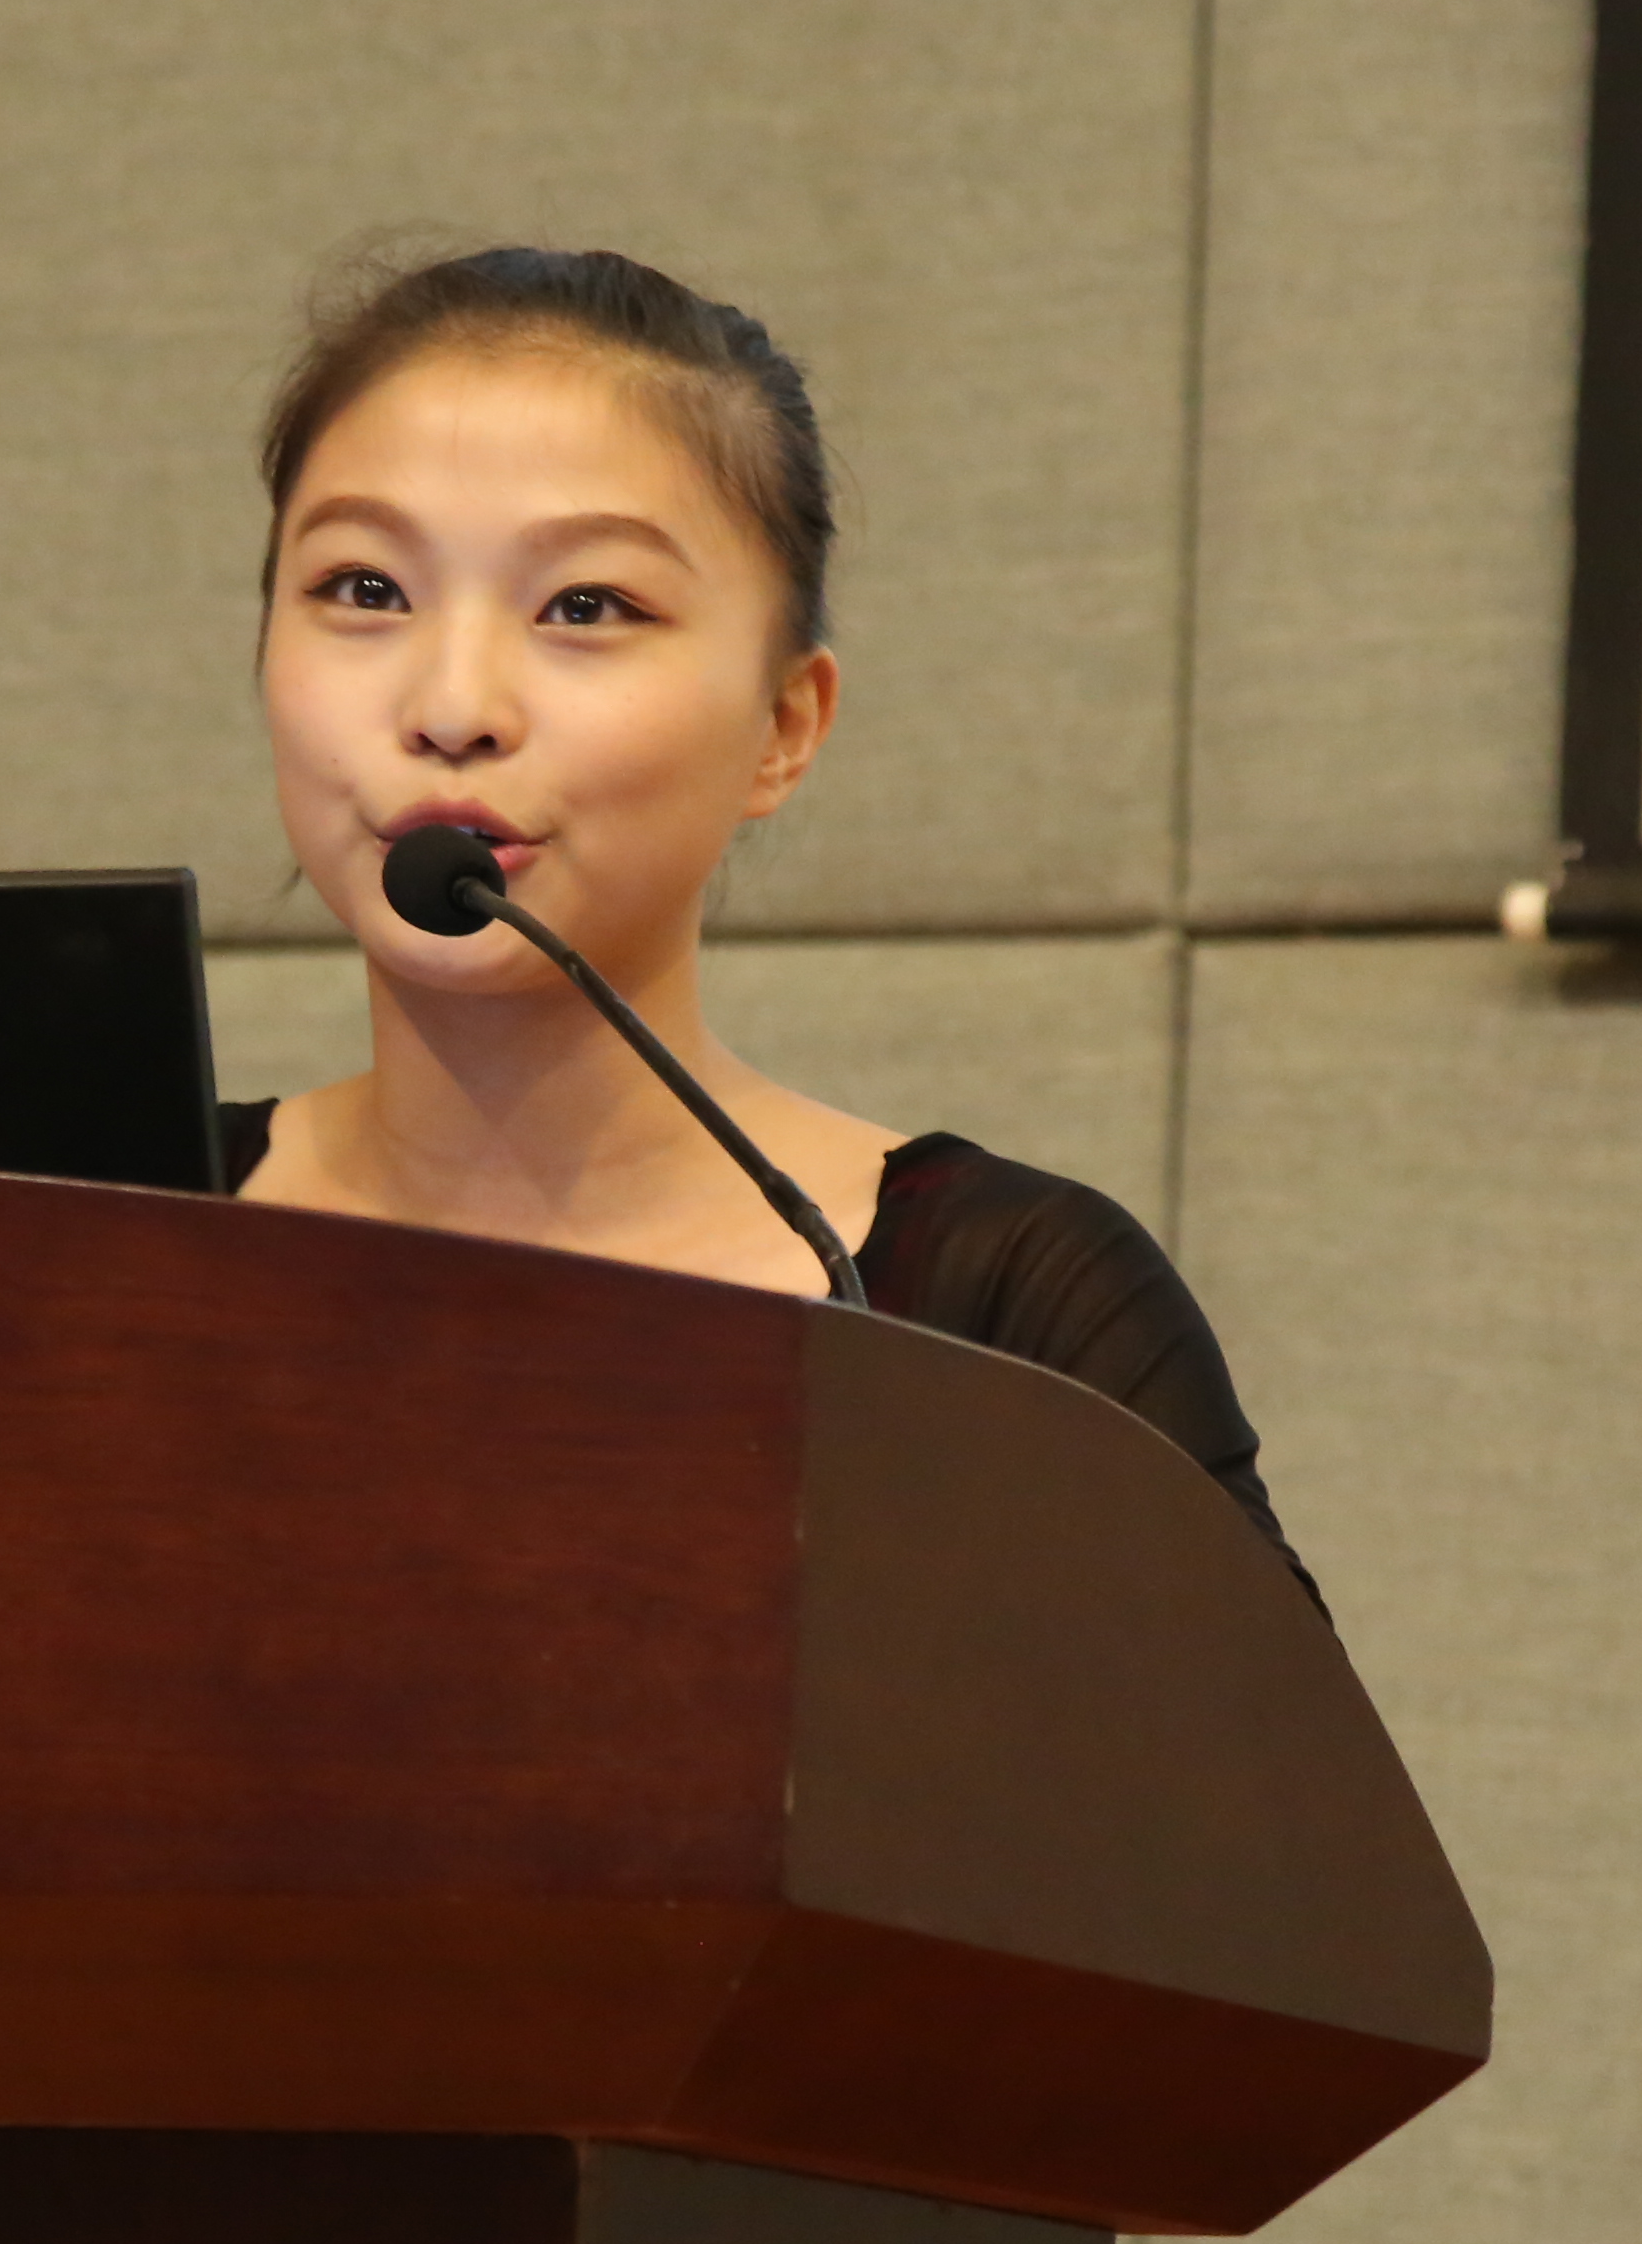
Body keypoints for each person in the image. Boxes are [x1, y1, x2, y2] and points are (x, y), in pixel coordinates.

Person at [225, 242, 1304, 1582]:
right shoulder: (68, 1217)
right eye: (365, 590)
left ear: (784, 727)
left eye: (584, 606)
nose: (451, 708)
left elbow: (1240, 1728)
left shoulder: (1006, 1306)